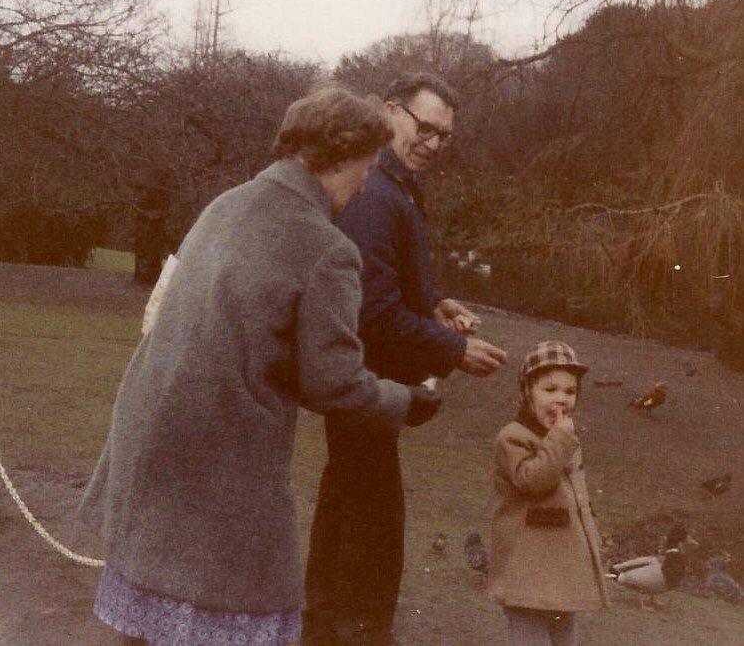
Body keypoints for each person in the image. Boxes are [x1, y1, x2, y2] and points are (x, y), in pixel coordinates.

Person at [77, 85, 444, 646]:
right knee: (229, 612)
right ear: (341, 157)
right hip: (220, 459)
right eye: (367, 167)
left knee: (153, 619)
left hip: (149, 434)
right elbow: (333, 381)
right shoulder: (327, 247)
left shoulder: (226, 204)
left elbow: (242, 333)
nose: (367, 182)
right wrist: (406, 401)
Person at [304, 72, 507, 645]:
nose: (434, 144)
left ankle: (324, 626)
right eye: (425, 128)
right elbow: (371, 311)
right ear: (390, 112)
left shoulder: (396, 191)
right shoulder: (377, 196)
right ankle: (353, 633)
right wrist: (455, 349)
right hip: (365, 386)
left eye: (444, 136)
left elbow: (391, 288)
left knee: (349, 505)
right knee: (371, 521)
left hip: (370, 386)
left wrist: (436, 305)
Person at [488, 340, 610, 646]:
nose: (561, 400)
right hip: (527, 574)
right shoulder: (513, 438)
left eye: (570, 392)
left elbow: (577, 501)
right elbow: (533, 481)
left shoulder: (564, 440)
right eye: (550, 389)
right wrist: (559, 439)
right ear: (528, 391)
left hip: (562, 575)